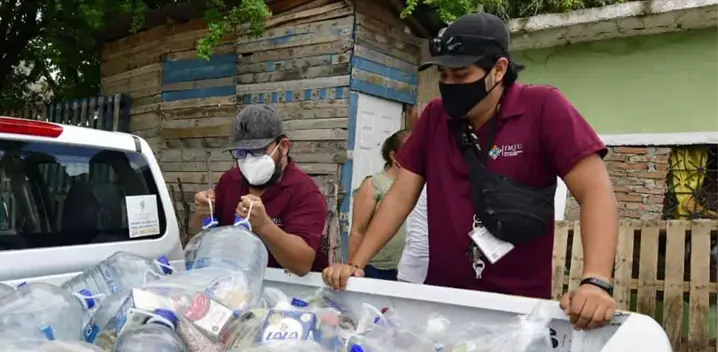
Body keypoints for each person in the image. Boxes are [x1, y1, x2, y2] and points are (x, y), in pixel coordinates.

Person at [323, 13, 620, 330]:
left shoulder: (543, 108)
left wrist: (596, 281)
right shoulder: (436, 117)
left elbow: (596, 192)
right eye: (444, 75)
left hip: (516, 312)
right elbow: (400, 196)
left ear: (499, 69)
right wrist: (357, 262)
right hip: (444, 306)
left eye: (461, 75)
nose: (449, 85)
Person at [193, 104, 329, 275]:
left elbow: (301, 264)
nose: (249, 161)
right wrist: (203, 212)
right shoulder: (230, 180)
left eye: (258, 150)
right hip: (234, 280)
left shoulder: (304, 193)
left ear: (284, 146)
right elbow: (199, 236)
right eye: (242, 152)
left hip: (287, 289)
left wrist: (265, 226)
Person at [349, 130, 428, 283]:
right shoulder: (374, 184)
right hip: (375, 268)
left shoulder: (422, 185)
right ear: (393, 156)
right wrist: (354, 267)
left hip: (406, 269)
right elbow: (357, 230)